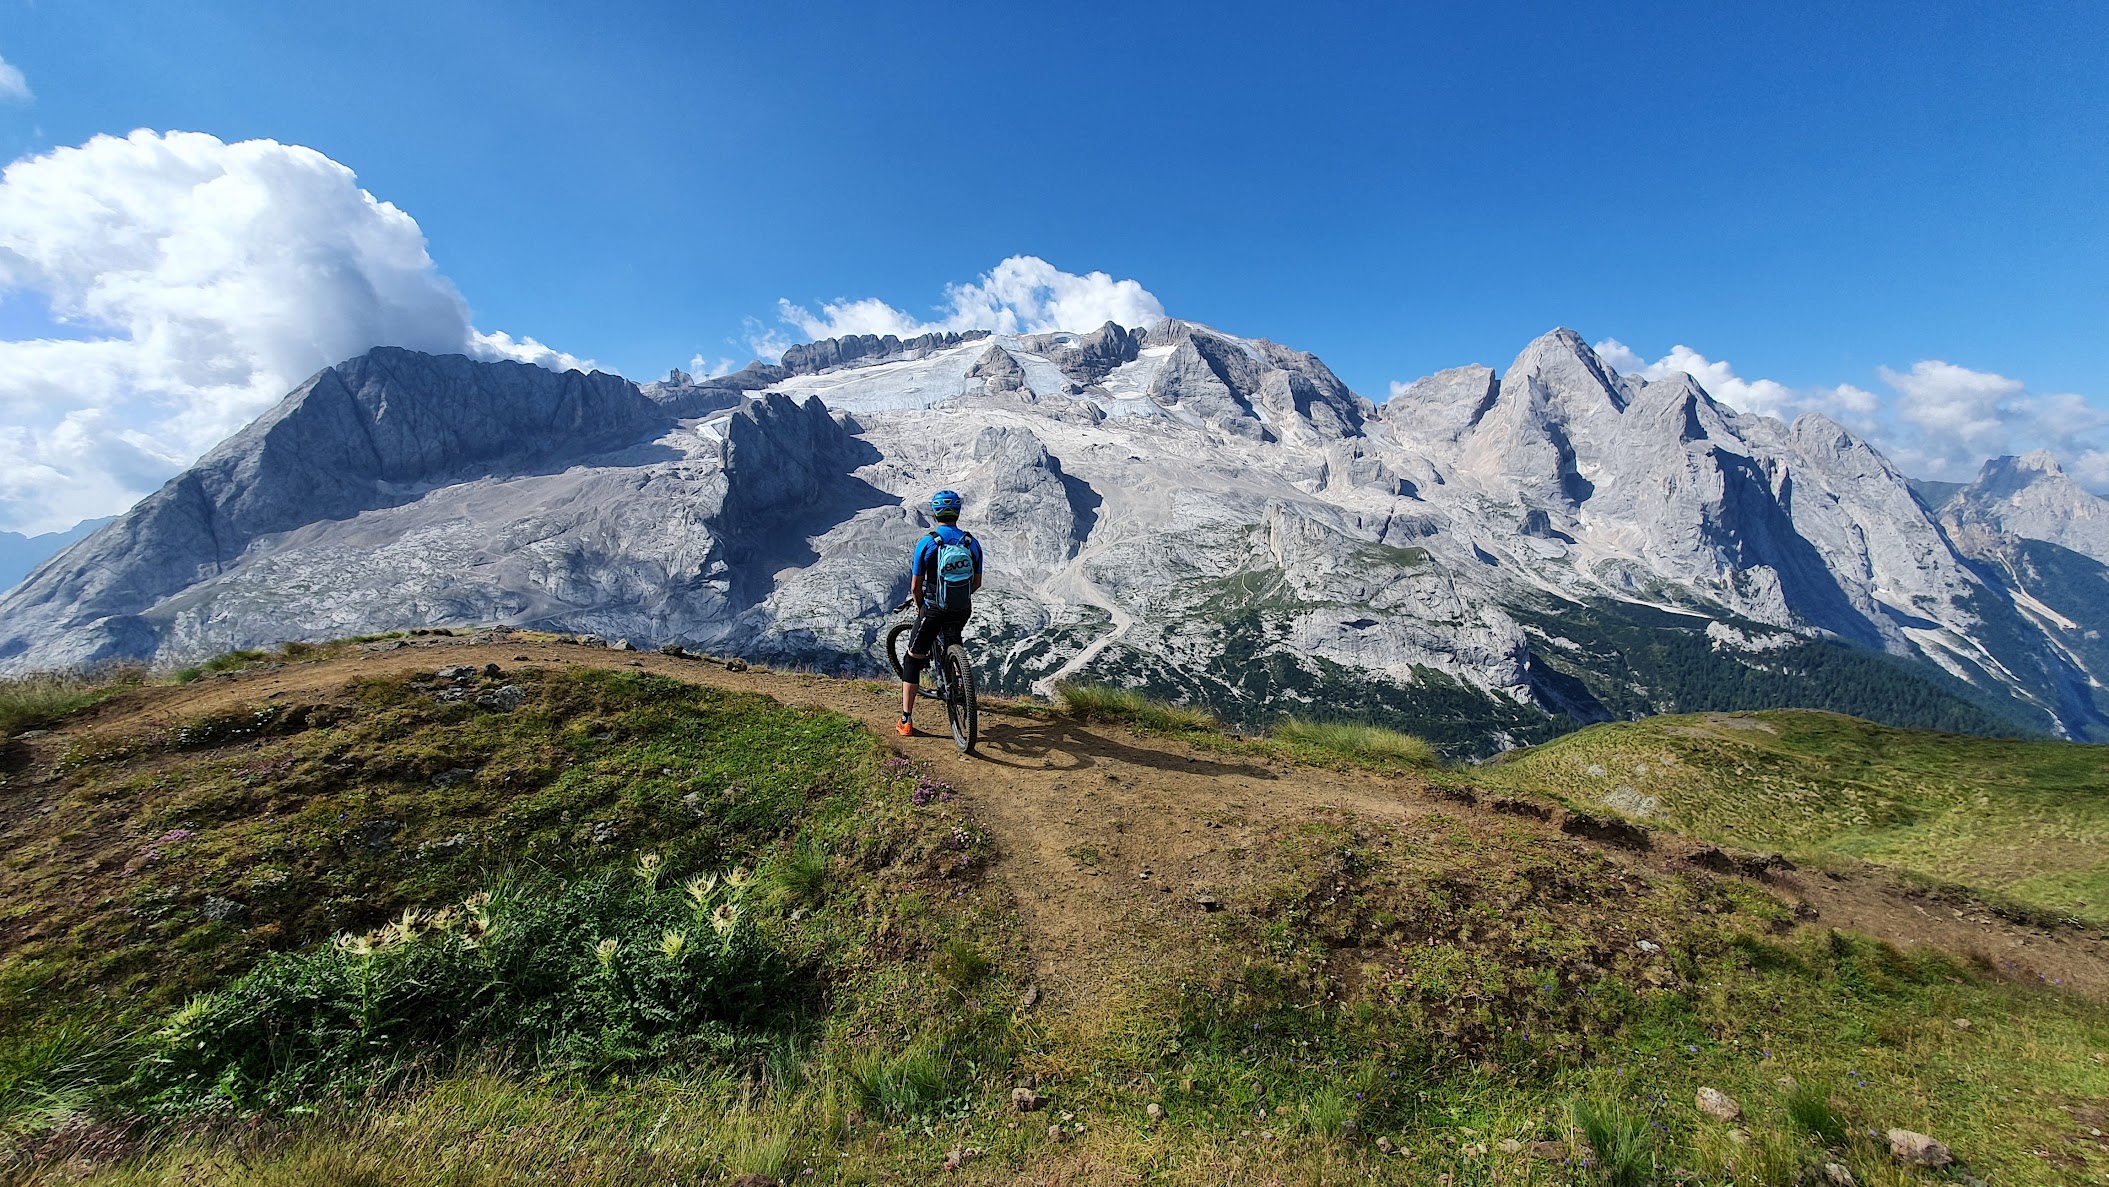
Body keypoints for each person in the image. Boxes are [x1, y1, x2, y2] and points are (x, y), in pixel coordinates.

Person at [899, 489, 983, 736]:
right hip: (961, 608)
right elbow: (976, 583)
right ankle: (960, 685)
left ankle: (906, 720)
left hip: (934, 608)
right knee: (953, 639)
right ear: (958, 512)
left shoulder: (927, 543)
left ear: (935, 513)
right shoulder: (971, 543)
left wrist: (921, 606)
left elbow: (915, 587)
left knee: (913, 658)